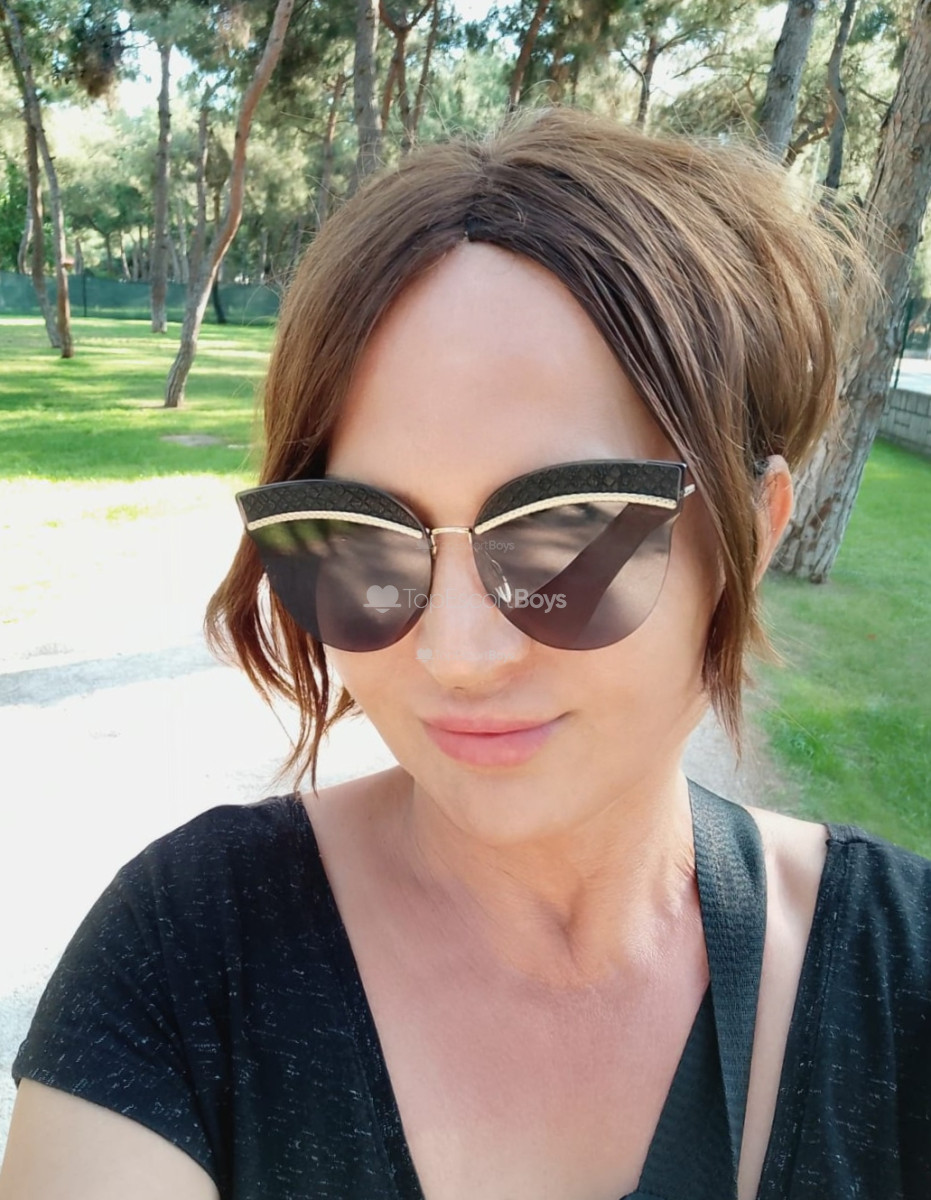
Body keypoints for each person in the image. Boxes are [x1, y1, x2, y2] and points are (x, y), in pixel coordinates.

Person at [2, 105, 929, 1200]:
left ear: (753, 535)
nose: (456, 654)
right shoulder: (183, 958)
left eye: (568, 533)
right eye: (358, 538)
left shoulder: (901, 973)